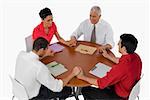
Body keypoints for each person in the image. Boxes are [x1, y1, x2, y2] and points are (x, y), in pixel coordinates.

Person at [76, 34, 142, 99]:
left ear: (124, 48)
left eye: (119, 43)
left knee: (85, 90)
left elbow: (100, 83)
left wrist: (82, 77)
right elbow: (120, 61)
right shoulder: (135, 57)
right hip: (128, 88)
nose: (117, 44)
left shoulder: (121, 68)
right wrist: (107, 56)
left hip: (119, 95)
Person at [15, 37, 80, 99]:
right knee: (66, 90)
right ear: (41, 50)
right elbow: (57, 87)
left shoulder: (21, 54)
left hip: (19, 90)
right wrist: (73, 74)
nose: (48, 50)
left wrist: (45, 55)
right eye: (46, 49)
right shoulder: (40, 68)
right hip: (33, 96)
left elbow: (33, 59)